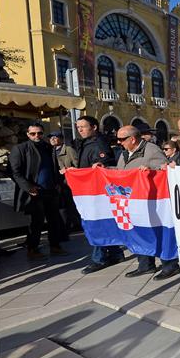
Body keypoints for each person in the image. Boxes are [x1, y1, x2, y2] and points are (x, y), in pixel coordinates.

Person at [112, 126, 178, 280]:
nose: (118, 142)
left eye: (121, 139)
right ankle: (145, 265)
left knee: (159, 232)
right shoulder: (124, 154)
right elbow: (119, 172)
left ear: (132, 139)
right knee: (138, 232)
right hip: (132, 200)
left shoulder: (151, 150)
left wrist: (150, 169)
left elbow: (164, 170)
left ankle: (170, 265)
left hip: (152, 199)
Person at [9, 122, 67, 260]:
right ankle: (32, 248)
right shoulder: (20, 148)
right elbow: (14, 172)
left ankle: (55, 246)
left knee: (54, 220)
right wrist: (29, 187)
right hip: (34, 192)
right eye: (33, 133)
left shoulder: (47, 147)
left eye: (40, 133)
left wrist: (58, 182)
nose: (37, 136)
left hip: (50, 190)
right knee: (37, 222)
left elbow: (54, 168)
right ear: (28, 134)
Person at [74, 115, 124, 273]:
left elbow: (104, 164)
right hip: (90, 190)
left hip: (96, 191)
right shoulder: (87, 142)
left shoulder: (98, 143)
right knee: (103, 222)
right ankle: (116, 253)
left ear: (94, 127)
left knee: (96, 223)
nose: (80, 129)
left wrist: (100, 165)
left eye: (83, 126)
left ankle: (99, 258)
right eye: (78, 127)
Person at [49, 131, 80, 234]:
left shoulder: (69, 150)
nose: (52, 139)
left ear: (61, 139)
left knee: (70, 204)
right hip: (56, 182)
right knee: (61, 205)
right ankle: (66, 226)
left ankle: (75, 225)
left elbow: (78, 165)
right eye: (51, 137)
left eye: (55, 137)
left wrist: (67, 169)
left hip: (68, 182)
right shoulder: (50, 151)